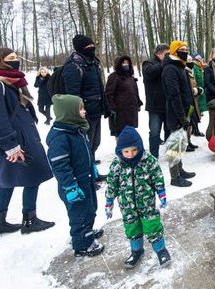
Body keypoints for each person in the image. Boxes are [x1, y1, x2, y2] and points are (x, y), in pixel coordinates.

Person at [0, 48, 54, 237]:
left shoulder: (9, 82)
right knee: (32, 176)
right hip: (15, 141)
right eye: (10, 58)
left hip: (21, 137)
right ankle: (29, 220)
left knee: (7, 180)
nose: (15, 60)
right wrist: (11, 146)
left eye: (16, 57)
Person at [47, 94, 104, 257]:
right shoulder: (60, 137)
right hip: (73, 185)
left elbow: (86, 153)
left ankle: (87, 231)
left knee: (90, 208)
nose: (84, 111)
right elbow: (60, 165)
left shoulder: (77, 130)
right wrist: (70, 186)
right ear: (69, 112)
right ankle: (82, 245)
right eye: (80, 109)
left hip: (85, 179)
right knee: (80, 215)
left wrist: (92, 167)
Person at [105, 126, 171, 268]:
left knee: (152, 226)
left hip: (146, 204)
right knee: (132, 227)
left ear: (139, 147)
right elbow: (111, 184)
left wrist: (161, 193)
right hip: (127, 206)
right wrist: (109, 201)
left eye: (134, 150)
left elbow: (157, 177)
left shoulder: (148, 161)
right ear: (120, 150)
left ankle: (161, 250)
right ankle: (136, 251)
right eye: (126, 151)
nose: (130, 154)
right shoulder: (117, 164)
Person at [62, 34, 109, 167]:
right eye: (89, 46)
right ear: (81, 48)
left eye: (93, 45)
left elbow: (99, 88)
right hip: (85, 114)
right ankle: (87, 173)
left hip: (96, 110)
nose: (92, 47)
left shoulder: (93, 62)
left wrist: (106, 106)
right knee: (85, 145)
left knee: (95, 143)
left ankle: (92, 167)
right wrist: (79, 113)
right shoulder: (73, 66)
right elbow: (73, 95)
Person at [161, 41, 196, 187]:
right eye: (182, 49)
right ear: (175, 51)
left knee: (180, 143)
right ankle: (175, 177)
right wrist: (181, 117)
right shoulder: (170, 69)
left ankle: (180, 170)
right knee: (174, 146)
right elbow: (174, 95)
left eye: (186, 49)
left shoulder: (180, 67)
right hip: (175, 113)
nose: (185, 51)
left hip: (183, 111)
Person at [142, 43, 170, 159]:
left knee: (169, 132)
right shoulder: (148, 63)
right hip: (154, 106)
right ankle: (154, 157)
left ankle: (170, 155)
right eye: (166, 54)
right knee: (154, 132)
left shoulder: (168, 64)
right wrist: (164, 62)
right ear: (159, 54)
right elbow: (149, 73)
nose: (168, 56)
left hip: (168, 104)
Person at [105, 56, 143, 140]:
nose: (126, 65)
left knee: (130, 135)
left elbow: (135, 92)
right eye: (123, 63)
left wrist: (138, 103)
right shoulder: (113, 77)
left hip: (131, 112)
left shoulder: (130, 77)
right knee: (121, 137)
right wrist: (112, 108)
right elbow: (108, 94)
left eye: (127, 62)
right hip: (119, 114)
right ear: (118, 64)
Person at [185, 56, 204, 152]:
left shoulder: (190, 72)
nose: (191, 62)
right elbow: (186, 88)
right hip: (188, 101)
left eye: (191, 60)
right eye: (188, 60)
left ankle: (188, 141)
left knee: (191, 123)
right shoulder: (185, 72)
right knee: (187, 122)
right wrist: (196, 90)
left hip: (194, 100)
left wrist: (198, 89)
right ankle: (185, 143)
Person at [191, 53, 207, 136]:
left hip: (200, 92)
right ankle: (195, 129)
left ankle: (195, 129)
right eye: (198, 58)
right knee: (195, 111)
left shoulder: (200, 67)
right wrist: (197, 88)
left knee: (198, 111)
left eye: (200, 58)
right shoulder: (194, 67)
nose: (200, 60)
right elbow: (193, 79)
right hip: (196, 92)